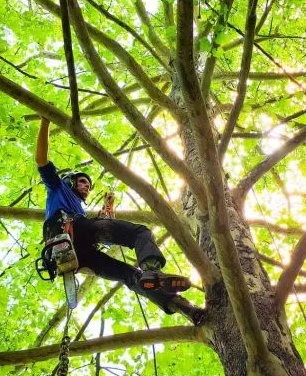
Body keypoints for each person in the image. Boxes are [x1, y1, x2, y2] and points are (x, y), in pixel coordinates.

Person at [35, 117, 191, 314]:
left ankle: (179, 306)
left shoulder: (79, 210)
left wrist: (109, 209)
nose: (86, 188)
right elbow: (41, 160)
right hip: (68, 231)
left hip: (79, 253)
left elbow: (105, 238)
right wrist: (46, 122)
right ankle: (152, 268)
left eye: (89, 187)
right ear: (70, 181)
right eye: (83, 182)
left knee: (131, 276)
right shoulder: (58, 188)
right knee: (139, 232)